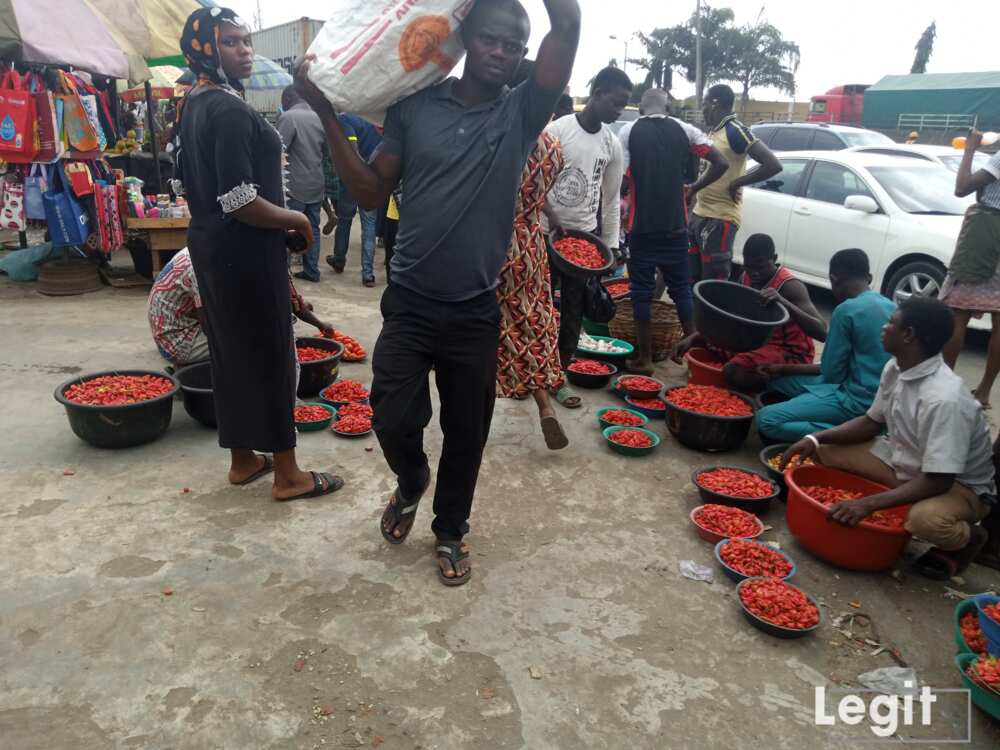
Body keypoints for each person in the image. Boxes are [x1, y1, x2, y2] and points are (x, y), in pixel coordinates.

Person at [296, 0, 580, 585]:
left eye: (515, 46)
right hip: (410, 302)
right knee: (392, 417)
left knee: (467, 433)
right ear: (467, 40)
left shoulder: (522, 114)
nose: (503, 53)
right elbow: (372, 193)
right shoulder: (414, 108)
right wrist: (323, 107)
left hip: (475, 310)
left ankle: (450, 529)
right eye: (493, 40)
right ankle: (410, 481)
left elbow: (568, 25)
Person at [172, 7, 342, 501]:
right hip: (243, 255)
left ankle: (243, 460)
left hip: (214, 251)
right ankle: (289, 475)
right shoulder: (226, 109)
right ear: (205, 48)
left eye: (247, 41)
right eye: (230, 42)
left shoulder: (197, 102)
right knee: (269, 357)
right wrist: (299, 220)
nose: (244, 50)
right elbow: (239, 199)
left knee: (233, 353)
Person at [781, 297, 996, 580]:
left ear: (909, 335)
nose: (884, 327)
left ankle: (969, 540)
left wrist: (866, 505)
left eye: (891, 323)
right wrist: (815, 438)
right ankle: (894, 502)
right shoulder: (896, 367)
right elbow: (872, 422)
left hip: (958, 486)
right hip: (911, 462)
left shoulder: (943, 399)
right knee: (826, 451)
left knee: (924, 521)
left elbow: (939, 479)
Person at [617, 88, 728, 374]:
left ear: (641, 106)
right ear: (667, 105)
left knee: (641, 291)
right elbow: (721, 162)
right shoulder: (686, 130)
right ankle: (692, 357)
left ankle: (644, 360)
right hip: (677, 225)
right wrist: (693, 188)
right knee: (680, 288)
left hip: (642, 227)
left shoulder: (629, 132)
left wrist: (624, 198)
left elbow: (622, 178)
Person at [544, 65, 631, 408]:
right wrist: (544, 221)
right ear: (597, 94)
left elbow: (610, 201)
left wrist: (611, 245)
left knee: (573, 314)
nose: (618, 111)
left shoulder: (611, 144)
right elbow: (533, 182)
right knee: (537, 308)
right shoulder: (557, 131)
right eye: (616, 102)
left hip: (583, 243)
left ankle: (559, 377)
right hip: (544, 234)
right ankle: (531, 371)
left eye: (624, 105)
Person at [496, 61, 568, 451]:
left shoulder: (499, 134)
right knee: (532, 321)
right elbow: (542, 200)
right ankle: (544, 407)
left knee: (488, 325)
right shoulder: (553, 145)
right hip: (531, 243)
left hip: (492, 239)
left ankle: (478, 414)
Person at [756, 249, 895, 443]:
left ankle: (846, 435)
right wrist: (782, 368)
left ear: (833, 279)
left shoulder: (846, 311)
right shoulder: (891, 306)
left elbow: (831, 375)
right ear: (869, 278)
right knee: (777, 382)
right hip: (881, 400)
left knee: (766, 419)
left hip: (854, 401)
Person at [673, 234, 826, 391]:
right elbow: (734, 320)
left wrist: (782, 301)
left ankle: (769, 385)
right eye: (749, 267)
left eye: (760, 267)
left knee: (735, 371)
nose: (755, 273)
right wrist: (694, 337)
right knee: (702, 343)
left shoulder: (790, 286)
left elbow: (822, 332)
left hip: (789, 351)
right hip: (755, 341)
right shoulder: (745, 277)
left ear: (774, 258)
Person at [149, 247, 336, 368]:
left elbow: (288, 298)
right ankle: (201, 370)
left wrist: (317, 322)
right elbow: (211, 327)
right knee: (258, 341)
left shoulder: (219, 251)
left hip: (185, 320)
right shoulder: (204, 268)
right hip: (176, 339)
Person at [689, 84, 782, 282]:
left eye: (704, 104)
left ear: (714, 104)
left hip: (720, 219)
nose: (702, 109)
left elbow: (772, 164)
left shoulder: (736, 131)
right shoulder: (714, 131)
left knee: (712, 284)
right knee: (691, 279)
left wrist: (736, 183)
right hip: (700, 213)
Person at [942, 128, 1000, 407]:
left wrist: (970, 149)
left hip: (986, 231)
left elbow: (962, 187)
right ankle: (985, 392)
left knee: (958, 310)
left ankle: (945, 384)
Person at [325, 113, 382, 287]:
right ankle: (368, 274)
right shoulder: (375, 120)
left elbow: (352, 147)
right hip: (373, 178)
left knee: (345, 220)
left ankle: (339, 260)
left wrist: (358, 172)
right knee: (369, 225)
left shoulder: (345, 119)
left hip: (353, 179)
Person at [278, 85, 327, 283]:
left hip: (294, 185)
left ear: (289, 98)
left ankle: (284, 272)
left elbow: (278, 152)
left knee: (288, 227)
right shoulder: (319, 117)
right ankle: (312, 270)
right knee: (313, 227)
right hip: (316, 182)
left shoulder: (289, 117)